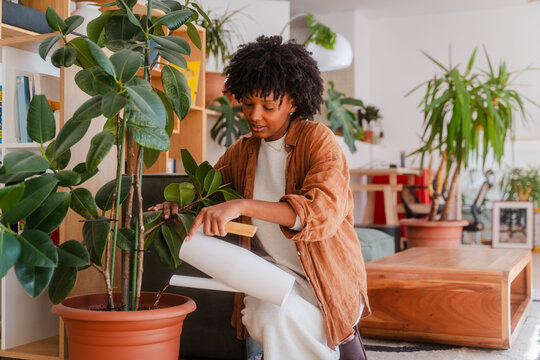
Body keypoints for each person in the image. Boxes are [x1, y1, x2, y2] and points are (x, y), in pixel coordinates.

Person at [150, 35, 369, 360]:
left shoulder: (319, 142)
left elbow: (320, 213)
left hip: (324, 277)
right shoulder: (242, 151)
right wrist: (178, 206)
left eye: (268, 106)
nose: (254, 115)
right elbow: (205, 192)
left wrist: (241, 205)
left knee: (291, 322)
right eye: (248, 103)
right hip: (271, 276)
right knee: (263, 316)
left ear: (293, 102)